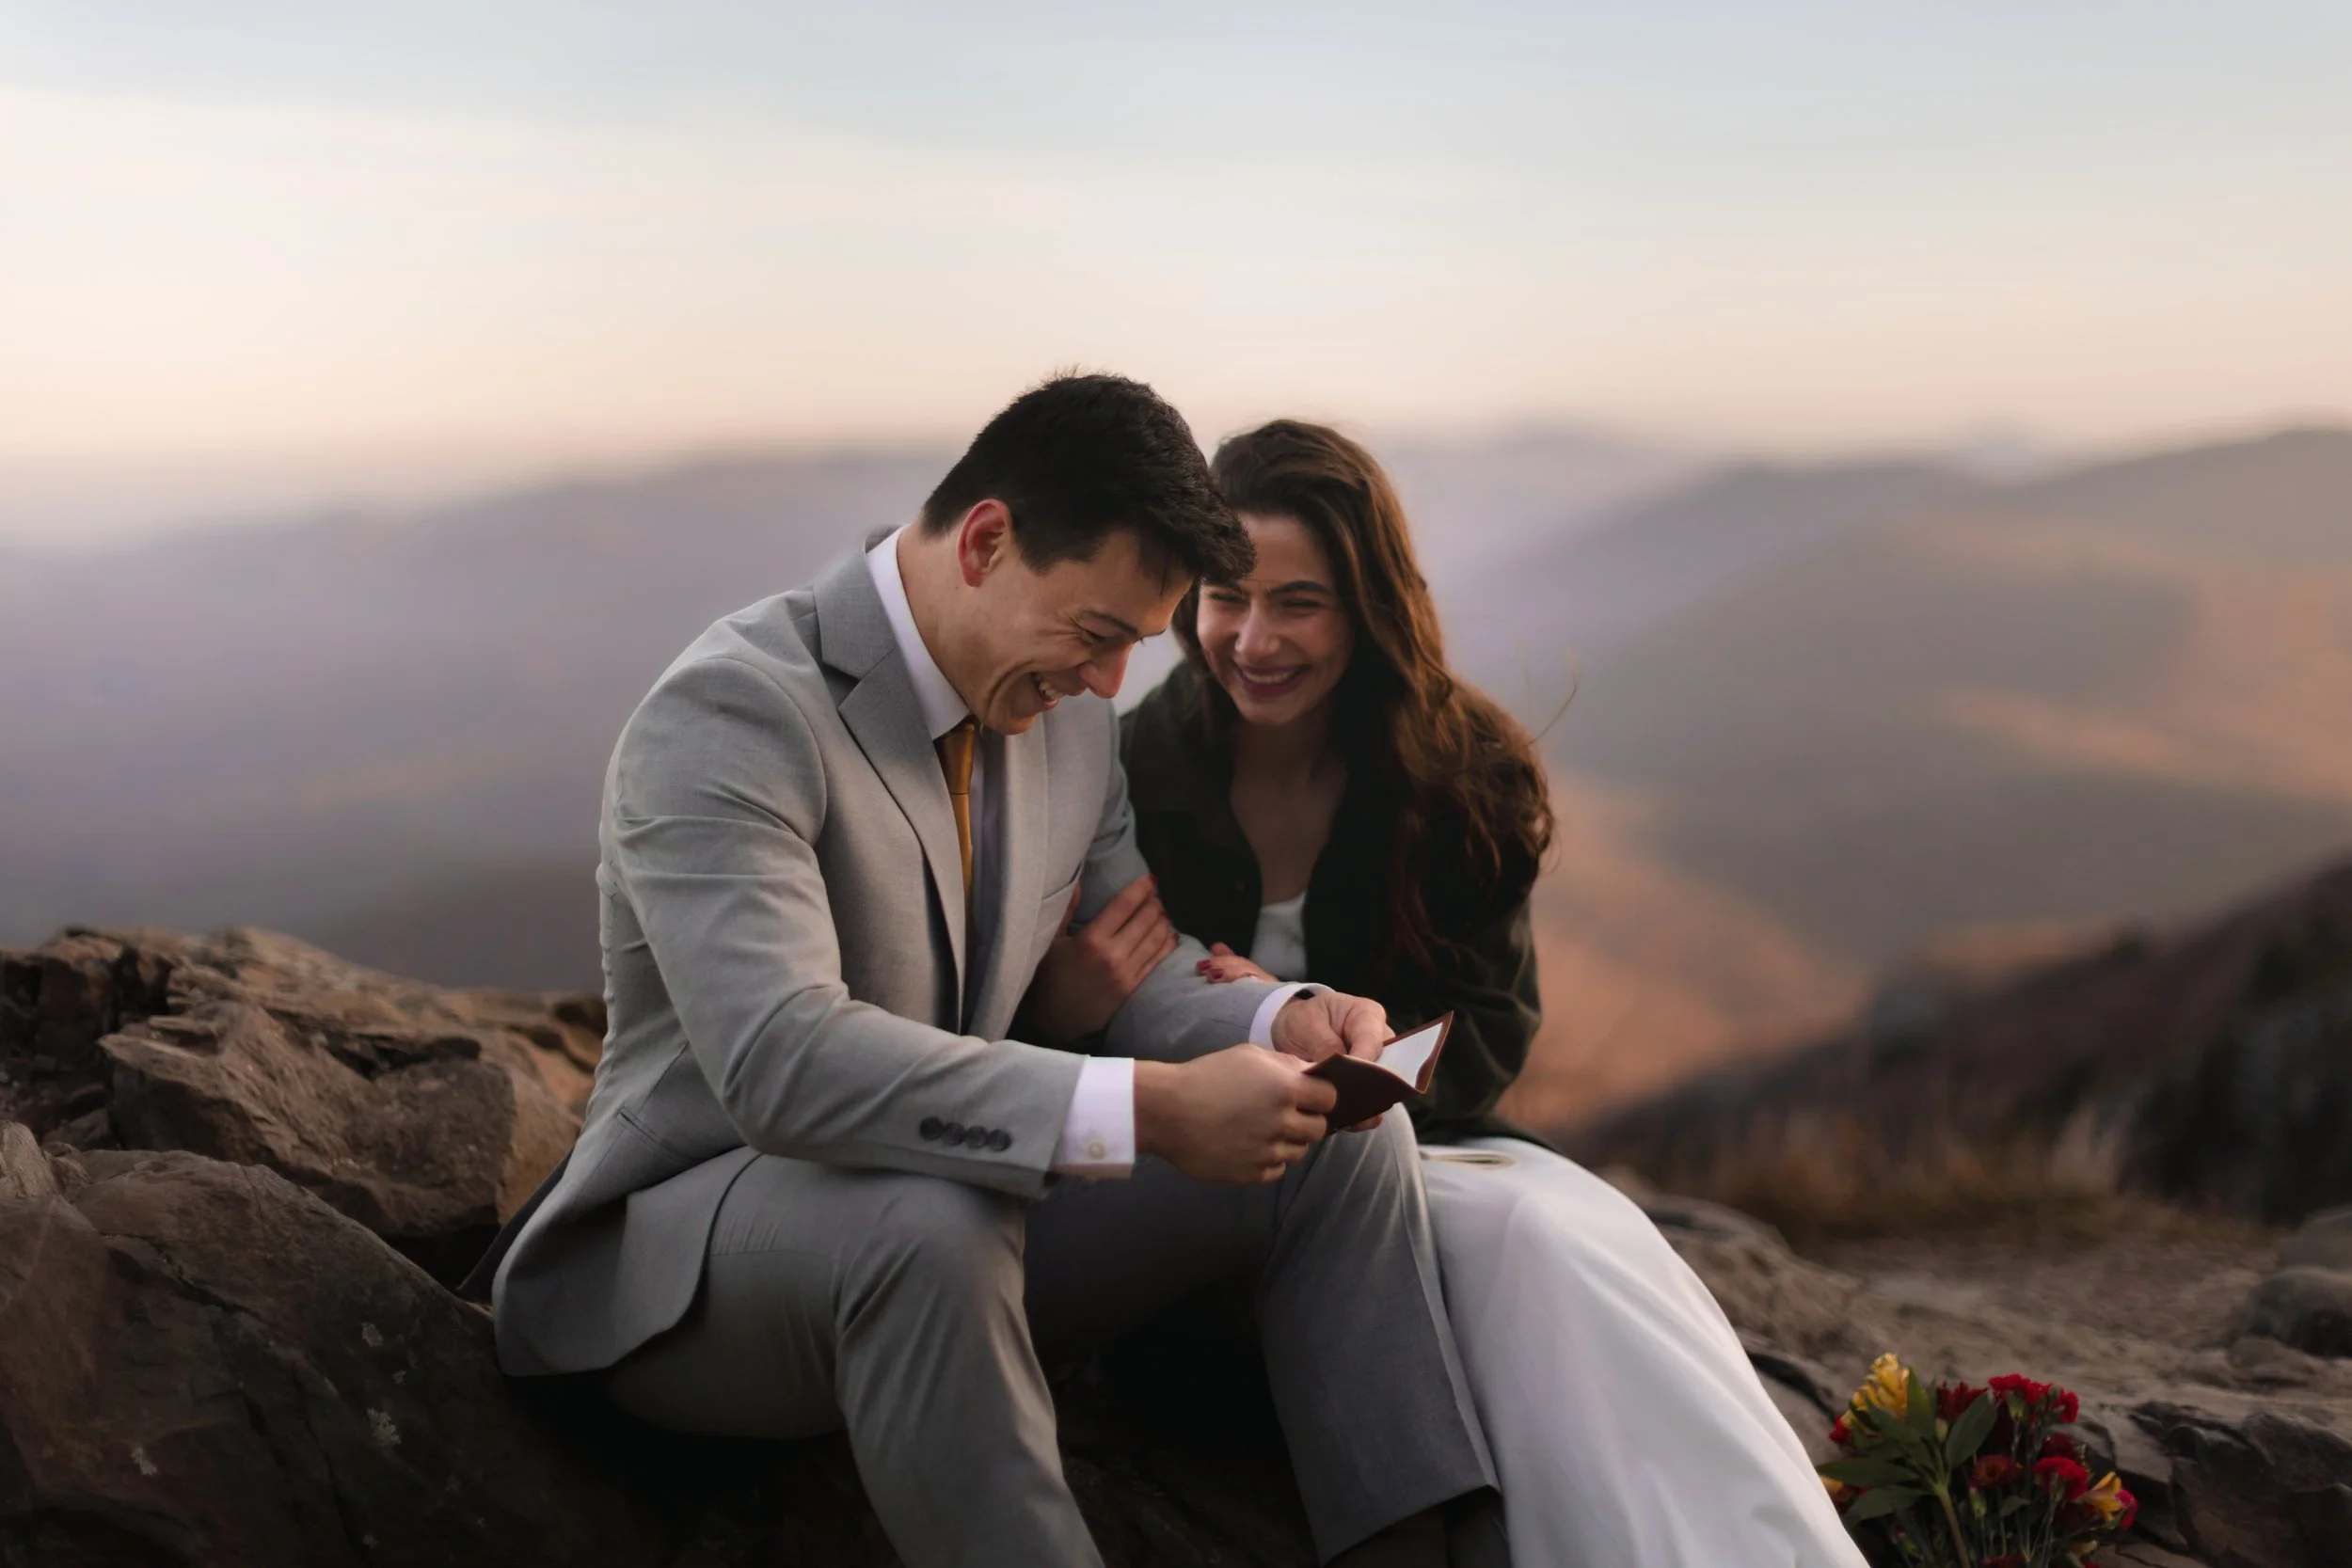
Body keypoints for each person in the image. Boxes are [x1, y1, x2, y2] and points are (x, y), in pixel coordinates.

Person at [469, 380, 1504, 1568]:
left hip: (970, 1214)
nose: (1115, 682)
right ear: (985, 542)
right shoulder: (732, 712)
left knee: (1336, 1134)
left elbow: (1140, 957)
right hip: (704, 1272)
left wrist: (1285, 1016)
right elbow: (782, 1064)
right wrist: (1155, 1109)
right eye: (1099, 633)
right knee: (927, 1223)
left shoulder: (1061, 714)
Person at [1028, 419, 1868, 1566]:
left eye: (1301, 602)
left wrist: (1306, 1015)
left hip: (1435, 1140)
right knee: (1533, 1240)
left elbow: (1492, 1022)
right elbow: (1069, 1028)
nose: (1254, 637)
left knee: (1571, 1237)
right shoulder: (1127, 773)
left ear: (1367, 604)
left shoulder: (1458, 766)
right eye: (1229, 595)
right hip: (1217, 1170)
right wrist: (1084, 1003)